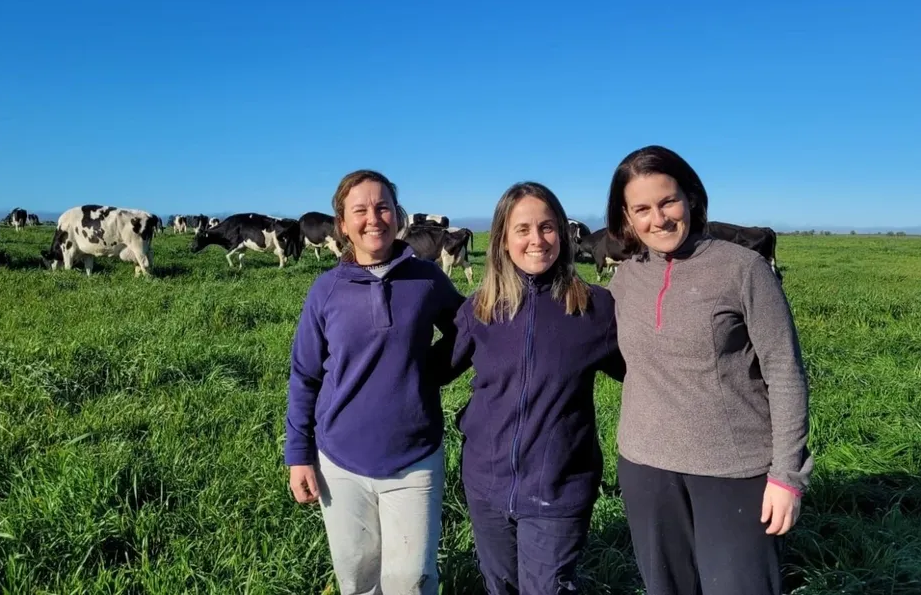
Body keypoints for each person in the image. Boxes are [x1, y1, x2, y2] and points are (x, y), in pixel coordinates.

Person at [605, 145, 813, 595]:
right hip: (645, 469)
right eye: (642, 208)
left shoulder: (743, 269)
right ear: (626, 216)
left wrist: (787, 476)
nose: (658, 219)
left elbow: (785, 370)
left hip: (733, 470)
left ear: (692, 199)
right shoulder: (624, 278)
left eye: (668, 202)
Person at [284, 169, 465, 595]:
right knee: (357, 579)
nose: (373, 218)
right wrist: (298, 455)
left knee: (411, 581)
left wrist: (429, 374)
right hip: (339, 461)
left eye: (383, 207)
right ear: (343, 225)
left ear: (397, 215)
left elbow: (468, 333)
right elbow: (305, 376)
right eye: (360, 210)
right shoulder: (325, 290)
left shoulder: (427, 279)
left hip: (415, 457)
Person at [445, 181, 625, 595]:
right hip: (486, 486)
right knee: (499, 587)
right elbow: (427, 372)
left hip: (559, 489)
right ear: (503, 241)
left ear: (562, 233)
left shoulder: (595, 308)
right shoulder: (480, 309)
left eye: (547, 227)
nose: (536, 240)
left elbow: (647, 373)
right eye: (522, 229)